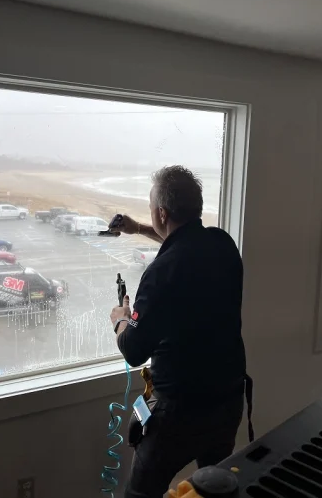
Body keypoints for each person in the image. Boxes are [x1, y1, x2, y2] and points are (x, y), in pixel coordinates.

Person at [109, 165, 249, 498]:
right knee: (215, 490)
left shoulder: (160, 273)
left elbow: (133, 349)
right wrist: (138, 228)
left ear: (161, 212)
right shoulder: (222, 244)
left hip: (179, 413)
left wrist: (120, 318)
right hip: (228, 401)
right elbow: (184, 243)